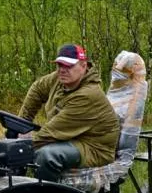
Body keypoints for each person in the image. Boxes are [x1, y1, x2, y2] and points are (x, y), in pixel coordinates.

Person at [17, 43, 121, 181]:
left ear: (84, 66)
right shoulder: (60, 78)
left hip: (94, 148)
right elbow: (37, 89)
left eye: (69, 66)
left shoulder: (88, 95)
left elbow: (51, 133)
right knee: (12, 141)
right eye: (59, 65)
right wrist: (22, 124)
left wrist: (19, 147)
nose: (62, 70)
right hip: (73, 139)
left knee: (47, 156)